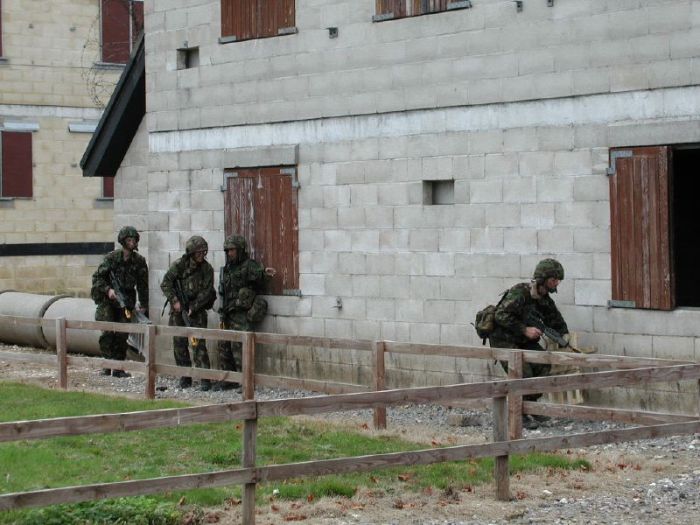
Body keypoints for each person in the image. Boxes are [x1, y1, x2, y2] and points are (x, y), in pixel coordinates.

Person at [489, 258, 569, 429]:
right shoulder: (520, 293)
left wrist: (563, 334)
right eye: (554, 279)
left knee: (543, 366)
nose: (557, 283)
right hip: (504, 339)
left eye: (558, 280)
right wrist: (525, 330)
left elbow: (555, 318)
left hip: (522, 340)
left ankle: (530, 408)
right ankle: (517, 414)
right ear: (543, 278)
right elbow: (500, 316)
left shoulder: (544, 298)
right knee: (522, 373)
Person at [215, 234, 275, 391]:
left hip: (241, 315)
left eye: (232, 250)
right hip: (227, 313)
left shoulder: (249, 265)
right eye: (227, 250)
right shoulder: (227, 269)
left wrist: (265, 272)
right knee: (223, 347)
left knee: (240, 348)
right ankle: (229, 380)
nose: (229, 253)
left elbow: (260, 274)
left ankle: (246, 381)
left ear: (240, 250)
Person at [91, 226, 149, 378]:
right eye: (129, 240)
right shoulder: (111, 258)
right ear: (123, 241)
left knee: (123, 334)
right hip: (108, 301)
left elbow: (143, 285)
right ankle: (107, 364)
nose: (132, 242)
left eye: (134, 240)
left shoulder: (139, 261)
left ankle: (118, 367)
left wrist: (143, 304)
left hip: (127, 300)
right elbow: (97, 278)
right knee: (107, 332)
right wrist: (108, 290)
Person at [160, 236, 216, 391]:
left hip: (196, 311)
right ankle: (185, 376)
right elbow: (165, 283)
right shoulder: (179, 265)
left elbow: (207, 291)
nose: (201, 255)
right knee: (179, 343)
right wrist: (174, 300)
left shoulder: (207, 269)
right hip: (178, 310)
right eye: (198, 252)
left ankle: (205, 379)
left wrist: (194, 307)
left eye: (203, 252)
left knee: (198, 344)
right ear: (191, 252)